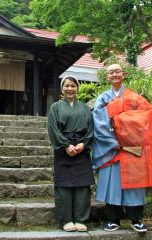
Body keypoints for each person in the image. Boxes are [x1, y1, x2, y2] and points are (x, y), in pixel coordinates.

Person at [92, 63, 152, 233]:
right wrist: (113, 141)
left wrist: (123, 124)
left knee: (134, 186)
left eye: (117, 71)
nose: (114, 74)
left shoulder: (135, 98)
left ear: (124, 74)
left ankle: (136, 219)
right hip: (112, 148)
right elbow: (98, 122)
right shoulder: (103, 98)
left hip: (131, 148)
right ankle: (114, 219)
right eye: (111, 72)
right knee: (112, 184)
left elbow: (146, 116)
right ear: (107, 77)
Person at [48, 76, 94, 232]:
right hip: (63, 148)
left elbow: (91, 128)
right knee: (64, 185)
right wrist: (65, 145)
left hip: (81, 147)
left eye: (73, 86)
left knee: (82, 185)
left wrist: (83, 144)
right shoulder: (55, 107)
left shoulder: (85, 108)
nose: (69, 88)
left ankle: (81, 219)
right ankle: (66, 219)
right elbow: (53, 128)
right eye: (66, 86)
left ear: (77, 88)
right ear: (62, 89)